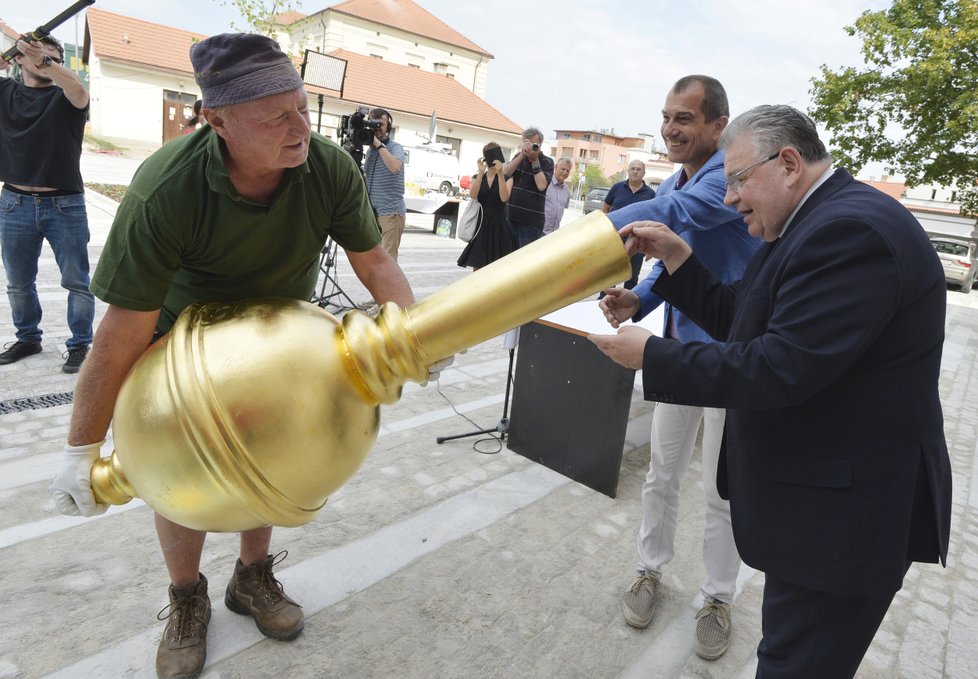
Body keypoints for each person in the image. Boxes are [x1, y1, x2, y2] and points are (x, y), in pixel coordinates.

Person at [46, 33, 430, 679]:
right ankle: (186, 596)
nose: (298, 128)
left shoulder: (328, 168)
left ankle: (252, 577)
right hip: (181, 344)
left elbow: (377, 264)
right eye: (276, 116)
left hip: (280, 338)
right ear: (217, 120)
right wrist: (80, 448)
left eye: (302, 108)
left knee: (275, 448)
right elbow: (119, 334)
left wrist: (418, 332)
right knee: (174, 469)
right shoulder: (166, 188)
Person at [591, 104, 952, 678]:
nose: (730, 200)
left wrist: (654, 355)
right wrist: (680, 259)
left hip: (842, 525)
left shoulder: (850, 232)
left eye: (736, 180)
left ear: (787, 162)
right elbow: (749, 319)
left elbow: (781, 366)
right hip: (821, 508)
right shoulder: (812, 221)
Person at [597, 75, 760, 660]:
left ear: (719, 126)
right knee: (662, 473)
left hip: (731, 357)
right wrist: (641, 299)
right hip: (679, 352)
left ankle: (717, 597)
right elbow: (674, 259)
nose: (671, 128)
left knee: (722, 486)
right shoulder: (680, 177)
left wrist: (588, 236)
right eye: (667, 116)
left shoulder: (723, 178)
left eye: (685, 118)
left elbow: (670, 216)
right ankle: (649, 570)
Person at [0, 36, 94, 373]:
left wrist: (47, 63)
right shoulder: (5, 92)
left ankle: (80, 345)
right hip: (13, 202)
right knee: (18, 282)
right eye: (37, 56)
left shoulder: (66, 97)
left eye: (54, 59)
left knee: (76, 281)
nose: (46, 61)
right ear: (19, 59)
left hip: (64, 204)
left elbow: (79, 89)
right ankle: (28, 338)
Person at [457, 142, 514, 270]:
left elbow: (504, 197)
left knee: (497, 267)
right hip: (481, 225)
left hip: (499, 226)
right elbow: (473, 195)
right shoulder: (478, 177)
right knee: (477, 264)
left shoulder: (507, 178)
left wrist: (499, 174)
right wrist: (481, 173)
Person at [602, 159, 656, 290]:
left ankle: (626, 306)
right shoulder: (617, 188)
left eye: (639, 169)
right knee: (610, 275)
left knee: (632, 277)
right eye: (633, 169)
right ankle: (604, 301)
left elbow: (654, 218)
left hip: (638, 242)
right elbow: (605, 208)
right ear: (628, 171)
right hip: (614, 240)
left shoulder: (651, 194)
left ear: (644, 173)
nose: (635, 172)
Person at [364, 107, 406, 260]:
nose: (377, 128)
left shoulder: (395, 148)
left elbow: (395, 167)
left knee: (387, 261)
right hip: (373, 213)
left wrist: (378, 144)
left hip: (390, 213)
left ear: (388, 126)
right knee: (374, 260)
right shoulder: (371, 151)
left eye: (381, 124)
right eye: (374, 124)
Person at [503, 127, 553, 248]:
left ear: (540, 145)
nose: (530, 147)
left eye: (533, 144)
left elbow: (541, 185)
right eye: (527, 143)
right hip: (510, 218)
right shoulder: (518, 157)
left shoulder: (547, 162)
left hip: (531, 223)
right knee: (506, 260)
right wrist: (521, 155)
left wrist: (534, 160)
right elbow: (505, 174)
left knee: (524, 262)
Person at [542, 157, 573, 235]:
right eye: (563, 169)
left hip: (554, 234)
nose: (565, 172)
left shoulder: (567, 190)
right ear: (555, 167)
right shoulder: (545, 183)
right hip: (540, 231)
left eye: (567, 171)